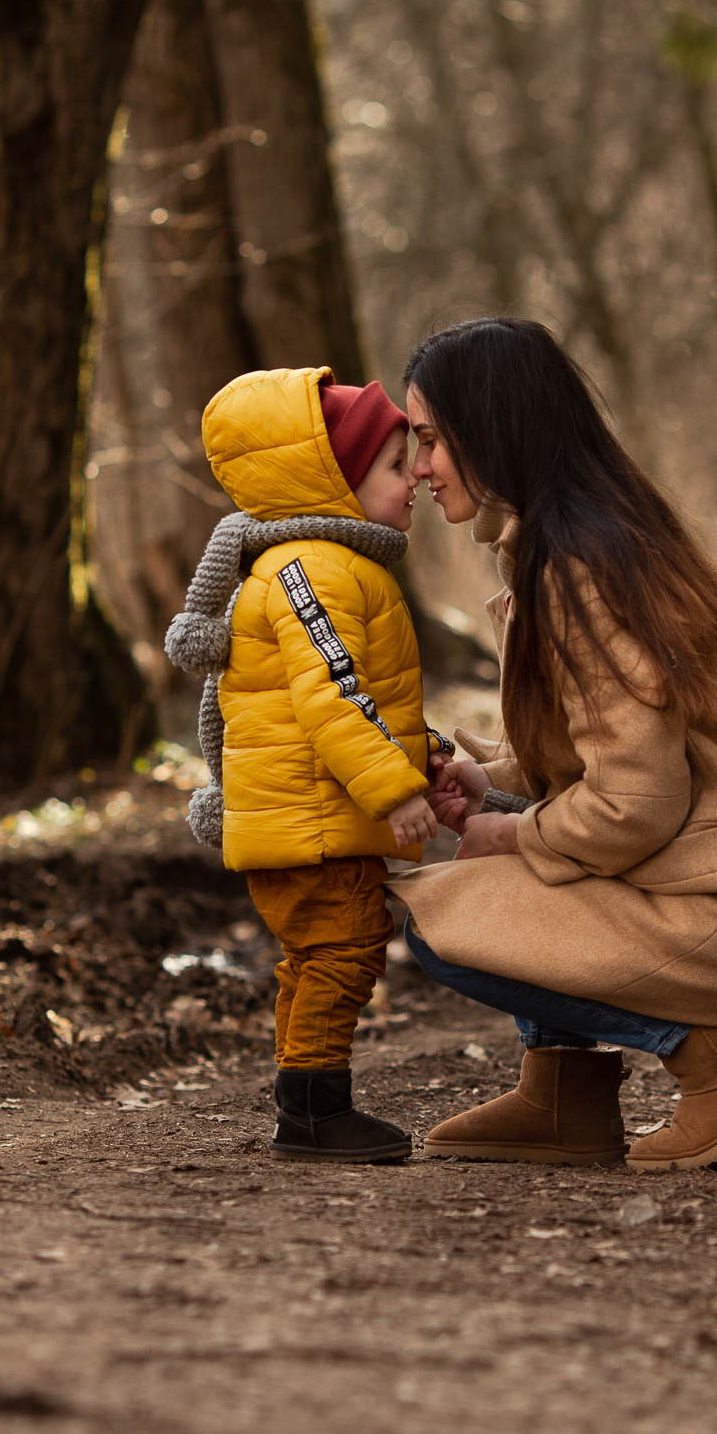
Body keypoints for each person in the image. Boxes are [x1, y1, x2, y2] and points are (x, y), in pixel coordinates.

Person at [390, 318, 717, 1171]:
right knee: (489, 867)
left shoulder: (582, 574)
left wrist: (509, 830)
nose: (418, 466)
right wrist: (485, 778)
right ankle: (563, 1094)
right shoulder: (573, 551)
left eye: (429, 439)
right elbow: (592, 755)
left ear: (492, 429)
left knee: (440, 913)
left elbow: (635, 802)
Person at [163, 368, 442, 1163]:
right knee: (344, 951)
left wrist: (429, 756)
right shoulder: (314, 569)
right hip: (312, 824)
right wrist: (394, 786)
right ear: (333, 482)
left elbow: (358, 697)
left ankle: (304, 1103)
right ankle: (316, 1113)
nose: (415, 477)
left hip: (308, 815)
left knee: (314, 959)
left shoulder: (320, 564)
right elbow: (333, 695)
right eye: (394, 468)